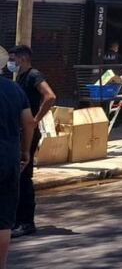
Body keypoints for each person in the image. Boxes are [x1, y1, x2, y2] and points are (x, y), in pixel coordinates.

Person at [9, 45, 56, 239]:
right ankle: (16, 219)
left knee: (23, 176)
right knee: (16, 176)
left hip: (28, 131)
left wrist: (35, 120)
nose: (10, 63)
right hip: (19, 131)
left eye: (12, 59)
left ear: (22, 58)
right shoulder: (20, 77)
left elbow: (50, 96)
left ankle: (26, 222)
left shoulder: (33, 75)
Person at [0, 69, 33, 267]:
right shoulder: (14, 88)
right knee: (3, 220)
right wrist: (25, 151)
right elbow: (29, 122)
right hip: (8, 158)